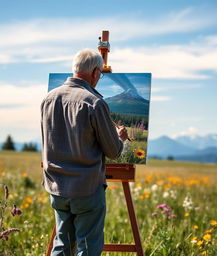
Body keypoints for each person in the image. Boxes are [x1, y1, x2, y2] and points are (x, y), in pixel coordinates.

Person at [41, 48, 128, 256]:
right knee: (87, 248)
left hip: (57, 186)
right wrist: (120, 138)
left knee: (61, 245)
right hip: (86, 189)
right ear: (96, 72)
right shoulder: (94, 103)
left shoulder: (48, 99)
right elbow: (113, 151)